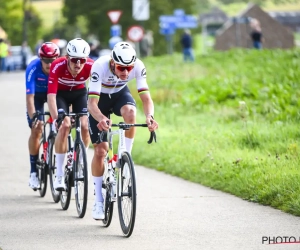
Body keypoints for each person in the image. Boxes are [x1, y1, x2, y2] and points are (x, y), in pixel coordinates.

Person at [87, 41, 159, 220]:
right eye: (121, 68)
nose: (126, 72)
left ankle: (125, 157)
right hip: (100, 98)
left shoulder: (138, 66)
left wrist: (150, 116)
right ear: (112, 62)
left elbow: (146, 98)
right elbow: (91, 104)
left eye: (129, 68)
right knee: (100, 150)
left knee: (131, 113)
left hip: (119, 94)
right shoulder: (99, 66)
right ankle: (98, 200)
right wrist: (102, 118)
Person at [47, 38, 93, 191]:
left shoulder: (92, 67)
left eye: (82, 60)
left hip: (80, 93)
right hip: (61, 94)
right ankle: (59, 174)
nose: (78, 64)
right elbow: (51, 96)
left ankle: (80, 161)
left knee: (86, 125)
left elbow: (96, 93)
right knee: (65, 125)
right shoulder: (57, 65)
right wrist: (56, 118)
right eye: (74, 60)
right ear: (67, 57)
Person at [26, 42, 60, 190]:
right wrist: (34, 117)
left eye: (52, 60)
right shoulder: (33, 69)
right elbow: (30, 98)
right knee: (37, 129)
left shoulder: (60, 67)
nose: (49, 64)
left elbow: (69, 93)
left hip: (56, 96)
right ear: (40, 59)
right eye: (45, 60)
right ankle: (33, 172)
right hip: (38, 97)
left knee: (62, 125)